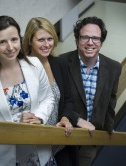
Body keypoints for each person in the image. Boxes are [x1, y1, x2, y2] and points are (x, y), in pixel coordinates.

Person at [0, 15, 55, 166]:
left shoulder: (34, 64)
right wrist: (17, 126)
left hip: (40, 155)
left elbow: (48, 98)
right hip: (2, 159)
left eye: (14, 39)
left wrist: (39, 117)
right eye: (2, 42)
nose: (10, 47)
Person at [23, 17, 95, 166]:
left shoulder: (59, 63)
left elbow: (68, 99)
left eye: (50, 39)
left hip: (60, 141)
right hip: (34, 144)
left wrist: (65, 118)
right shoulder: (21, 68)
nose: (47, 44)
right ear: (30, 40)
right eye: (41, 40)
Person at [59, 16, 122, 166]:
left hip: (91, 138)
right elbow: (58, 101)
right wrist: (77, 120)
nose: (90, 42)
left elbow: (111, 99)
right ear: (77, 40)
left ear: (101, 42)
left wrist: (109, 126)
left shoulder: (114, 67)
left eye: (95, 38)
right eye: (85, 37)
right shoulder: (61, 62)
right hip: (64, 136)